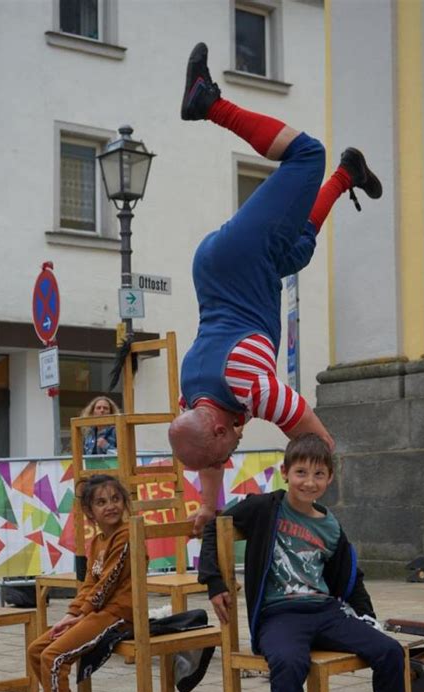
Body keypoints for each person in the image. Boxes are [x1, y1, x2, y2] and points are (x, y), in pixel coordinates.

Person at [168, 44, 383, 535]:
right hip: (237, 272)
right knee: (297, 251)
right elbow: (208, 456)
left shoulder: (254, 389)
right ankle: (348, 173)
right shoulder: (197, 403)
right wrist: (208, 504)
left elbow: (317, 438)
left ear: (221, 429)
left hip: (235, 263)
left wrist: (304, 499)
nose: (231, 453)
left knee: (305, 153)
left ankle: (208, 102)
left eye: (229, 447)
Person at [198, 434, 424, 692]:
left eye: (318, 474)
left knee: (391, 652)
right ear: (285, 473)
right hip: (280, 617)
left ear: (329, 479)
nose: (308, 481)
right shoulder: (265, 508)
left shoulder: (330, 525)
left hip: (326, 613)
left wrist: (367, 618)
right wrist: (214, 582)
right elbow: (214, 528)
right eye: (300, 473)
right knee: (290, 663)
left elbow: (350, 577)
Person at [28, 474, 132, 692]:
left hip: (116, 615)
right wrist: (72, 613)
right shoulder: (96, 541)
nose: (110, 506)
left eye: (115, 499)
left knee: (53, 656)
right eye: (101, 502)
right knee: (37, 649)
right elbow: (89, 583)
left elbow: (108, 583)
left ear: (124, 502)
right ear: (90, 513)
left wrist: (82, 614)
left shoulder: (126, 535)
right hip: (95, 612)